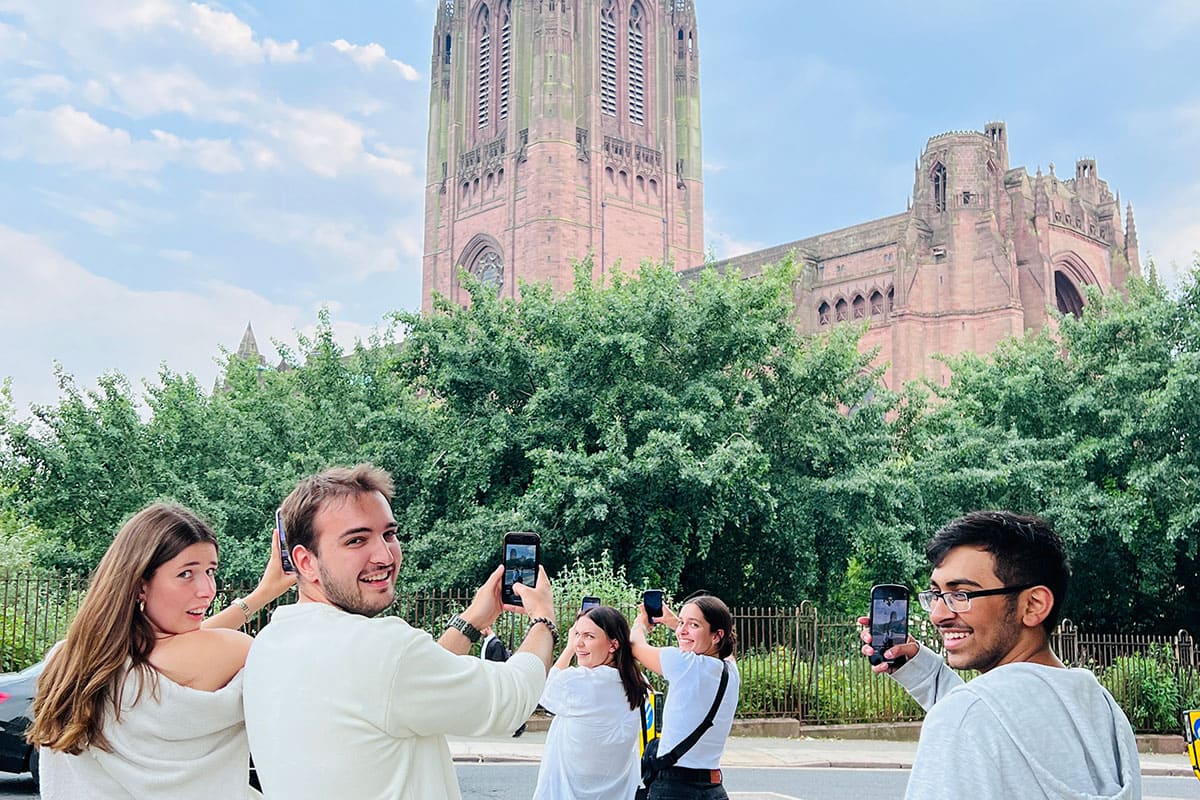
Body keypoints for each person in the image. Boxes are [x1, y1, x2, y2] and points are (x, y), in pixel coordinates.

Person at [242, 464, 556, 800]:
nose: (384, 555)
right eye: (357, 540)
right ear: (306, 562)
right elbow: (513, 699)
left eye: (389, 534)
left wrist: (471, 620)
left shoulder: (267, 646)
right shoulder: (381, 650)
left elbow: (403, 690)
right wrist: (543, 619)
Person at [860, 510, 1141, 800]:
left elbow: (979, 720)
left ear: (1033, 605)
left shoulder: (963, 720)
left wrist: (955, 710)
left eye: (962, 594)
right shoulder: (1105, 714)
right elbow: (1005, 723)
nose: (938, 614)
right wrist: (921, 670)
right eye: (936, 594)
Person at [27, 502, 296, 799]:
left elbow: (181, 642)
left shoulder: (72, 658)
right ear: (141, 585)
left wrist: (262, 595)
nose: (207, 589)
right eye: (186, 574)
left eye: (210, 571)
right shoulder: (229, 650)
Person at [533, 606, 650, 800]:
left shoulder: (580, 682)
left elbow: (543, 690)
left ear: (613, 645)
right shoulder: (638, 681)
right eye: (577, 634)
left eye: (589, 636)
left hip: (572, 792)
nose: (579, 643)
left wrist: (568, 648)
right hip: (619, 792)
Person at [630, 593, 740, 800]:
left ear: (716, 635)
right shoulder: (731, 671)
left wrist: (641, 623)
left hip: (675, 787)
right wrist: (674, 621)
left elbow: (636, 646)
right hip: (713, 788)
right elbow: (725, 650)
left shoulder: (685, 664)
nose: (682, 630)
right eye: (682, 623)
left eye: (694, 625)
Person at [478, 624, 526, 737]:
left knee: (504, 705)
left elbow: (497, 663)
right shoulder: (487, 642)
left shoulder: (496, 643)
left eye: (482, 629)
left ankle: (519, 726)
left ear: (488, 628)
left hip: (494, 679)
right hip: (488, 678)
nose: (480, 632)